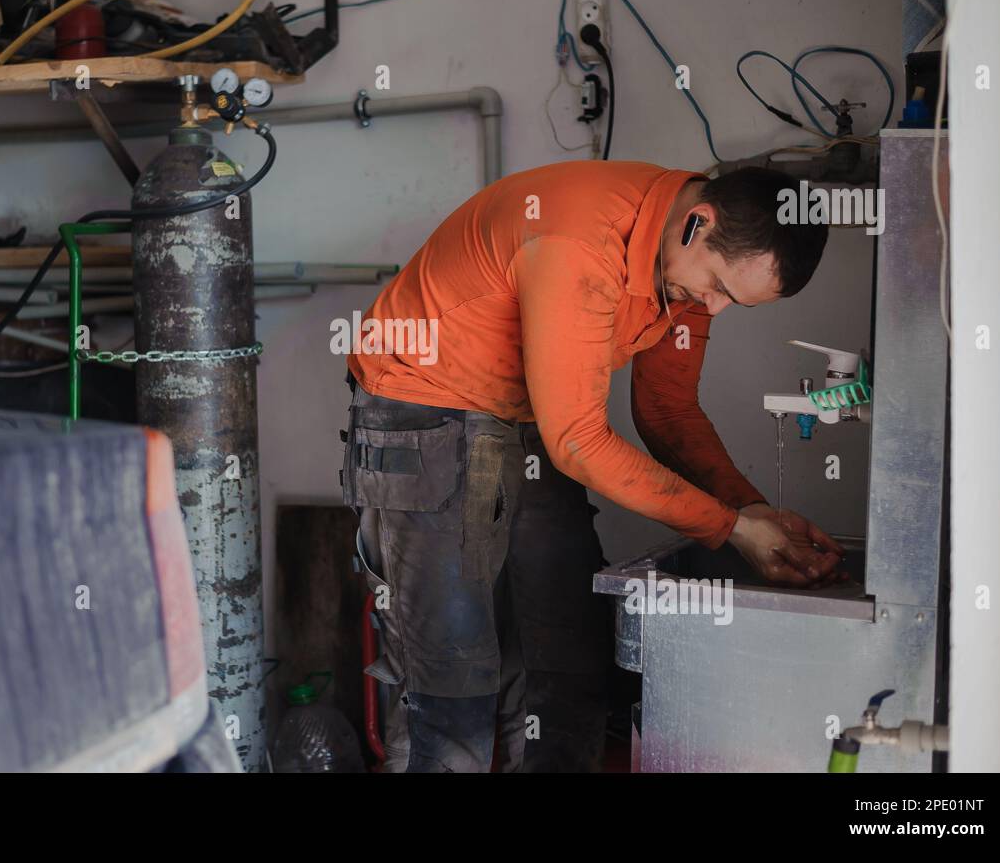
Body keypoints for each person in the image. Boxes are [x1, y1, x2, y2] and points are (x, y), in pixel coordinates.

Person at [340, 161, 844, 772]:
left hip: (529, 413)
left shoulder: (683, 263)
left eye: (733, 301)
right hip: (425, 409)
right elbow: (577, 441)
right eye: (717, 286)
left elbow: (667, 412)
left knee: (569, 656)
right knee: (454, 677)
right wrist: (730, 530)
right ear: (698, 223)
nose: (713, 306)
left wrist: (750, 508)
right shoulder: (580, 240)